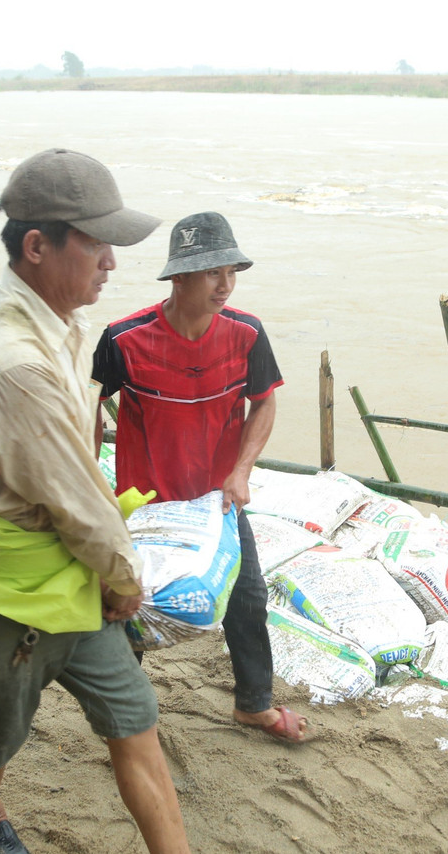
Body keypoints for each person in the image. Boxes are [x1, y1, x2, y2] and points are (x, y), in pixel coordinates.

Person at [0, 148, 192, 854]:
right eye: (97, 241)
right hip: (0, 585)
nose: (112, 259)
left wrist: (106, 574)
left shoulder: (57, 326)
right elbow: (78, 502)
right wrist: (124, 582)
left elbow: (74, 484)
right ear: (36, 246)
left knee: (134, 716)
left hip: (67, 567)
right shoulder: (14, 359)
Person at [92, 211, 308, 744]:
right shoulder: (123, 339)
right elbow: (83, 407)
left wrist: (240, 472)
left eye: (231, 270)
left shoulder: (247, 333)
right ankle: (123, 721)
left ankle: (253, 705)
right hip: (143, 504)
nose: (225, 284)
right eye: (212, 272)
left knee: (249, 599)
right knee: (129, 607)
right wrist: (90, 488)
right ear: (179, 277)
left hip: (218, 500)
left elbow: (263, 405)